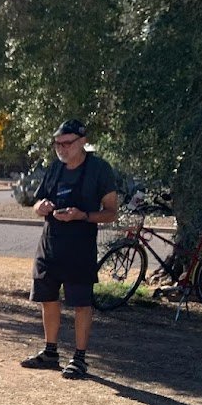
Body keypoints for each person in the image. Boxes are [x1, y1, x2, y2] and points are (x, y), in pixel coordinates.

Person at [23, 119, 118, 379]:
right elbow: (37, 202)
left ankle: (79, 358)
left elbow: (111, 213)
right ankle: (50, 352)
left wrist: (82, 215)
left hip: (80, 246)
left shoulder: (99, 169)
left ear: (82, 141)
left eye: (67, 143)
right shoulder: (55, 169)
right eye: (57, 144)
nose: (62, 149)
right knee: (47, 299)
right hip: (50, 243)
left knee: (80, 303)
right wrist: (40, 207)